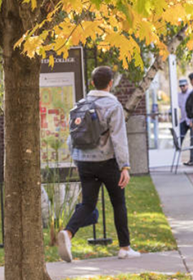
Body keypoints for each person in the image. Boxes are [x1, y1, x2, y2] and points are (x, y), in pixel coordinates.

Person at [57, 66, 139, 261]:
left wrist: (76, 159)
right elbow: (119, 138)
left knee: (87, 204)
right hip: (107, 162)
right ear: (110, 83)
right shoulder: (113, 106)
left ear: (92, 83)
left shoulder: (80, 105)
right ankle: (124, 248)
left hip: (84, 162)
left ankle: (68, 233)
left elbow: (71, 138)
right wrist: (124, 166)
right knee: (118, 203)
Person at [177, 75, 193, 165]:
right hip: (183, 120)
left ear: (187, 85)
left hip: (191, 120)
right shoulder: (178, 95)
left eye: (183, 86)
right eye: (180, 86)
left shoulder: (191, 93)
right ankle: (176, 159)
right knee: (179, 138)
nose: (182, 88)